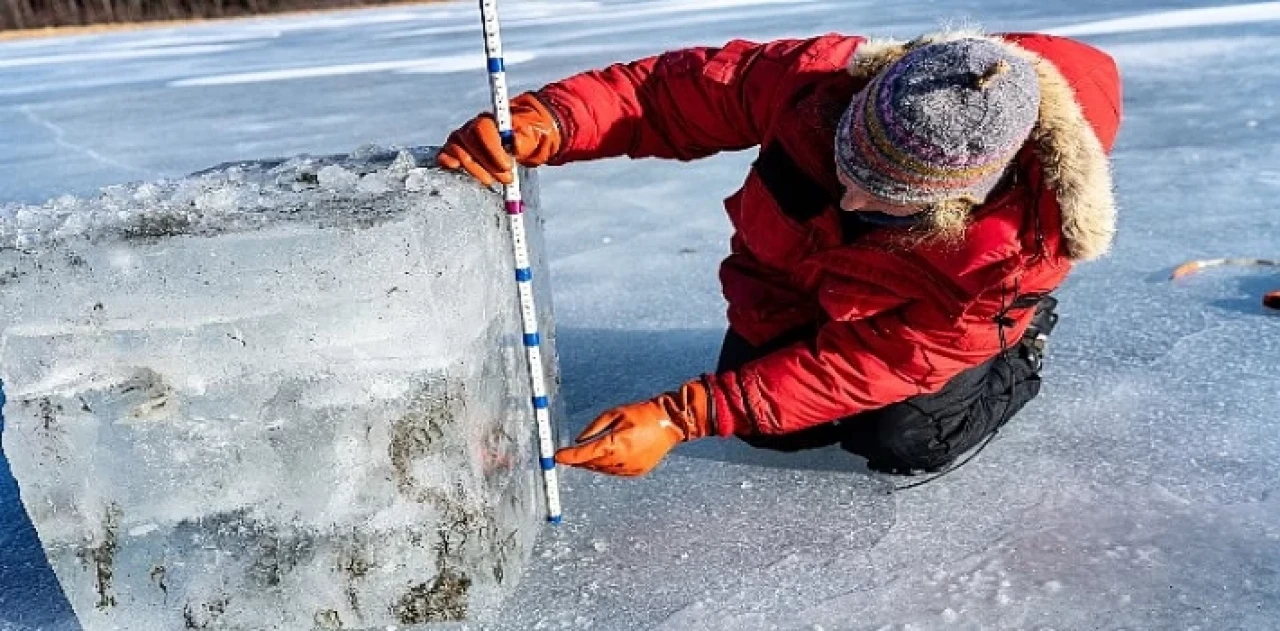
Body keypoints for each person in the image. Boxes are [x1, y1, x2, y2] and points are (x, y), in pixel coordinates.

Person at [439, 30, 1121, 477]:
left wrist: (684, 415)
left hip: (926, 331)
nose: (850, 199)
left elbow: (882, 359)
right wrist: (552, 120)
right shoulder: (821, 82)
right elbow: (666, 96)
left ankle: (1019, 350)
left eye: (885, 197)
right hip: (806, 281)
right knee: (774, 431)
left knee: (900, 438)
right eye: (846, 164)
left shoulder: (1018, 249)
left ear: (959, 202)